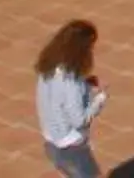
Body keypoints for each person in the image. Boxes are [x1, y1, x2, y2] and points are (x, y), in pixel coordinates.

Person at [34, 19, 106, 177]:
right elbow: (79, 120)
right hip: (71, 146)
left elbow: (58, 95)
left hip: (52, 139)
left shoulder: (48, 64)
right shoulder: (71, 82)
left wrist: (85, 84)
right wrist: (98, 102)